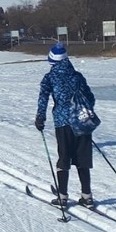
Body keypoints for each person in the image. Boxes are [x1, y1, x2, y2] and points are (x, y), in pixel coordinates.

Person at [34, 42, 97, 207]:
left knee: (64, 158)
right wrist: (82, 111)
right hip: (82, 122)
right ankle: (87, 196)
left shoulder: (50, 78)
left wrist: (40, 118)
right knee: (83, 159)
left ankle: (62, 197)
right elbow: (90, 98)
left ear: (52, 60)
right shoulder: (77, 76)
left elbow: (43, 98)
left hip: (62, 123)